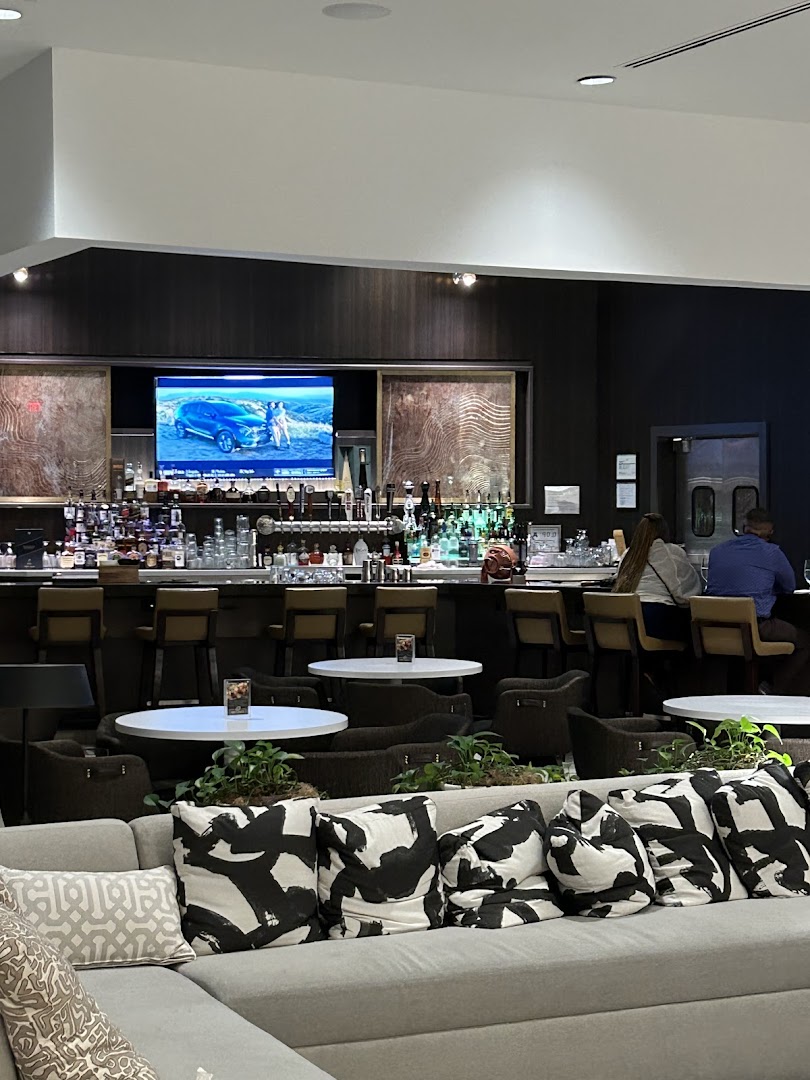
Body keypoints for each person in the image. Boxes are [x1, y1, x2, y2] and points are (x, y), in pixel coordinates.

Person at [707, 506, 809, 695]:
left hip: (715, 631)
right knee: (805, 641)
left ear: (743, 527)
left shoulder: (717, 551)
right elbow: (789, 587)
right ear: (769, 531)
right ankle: (771, 691)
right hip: (754, 627)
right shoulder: (772, 553)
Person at [613, 512, 702, 640]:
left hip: (629, 619)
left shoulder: (628, 554)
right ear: (664, 531)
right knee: (695, 631)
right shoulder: (671, 551)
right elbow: (685, 593)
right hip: (657, 616)